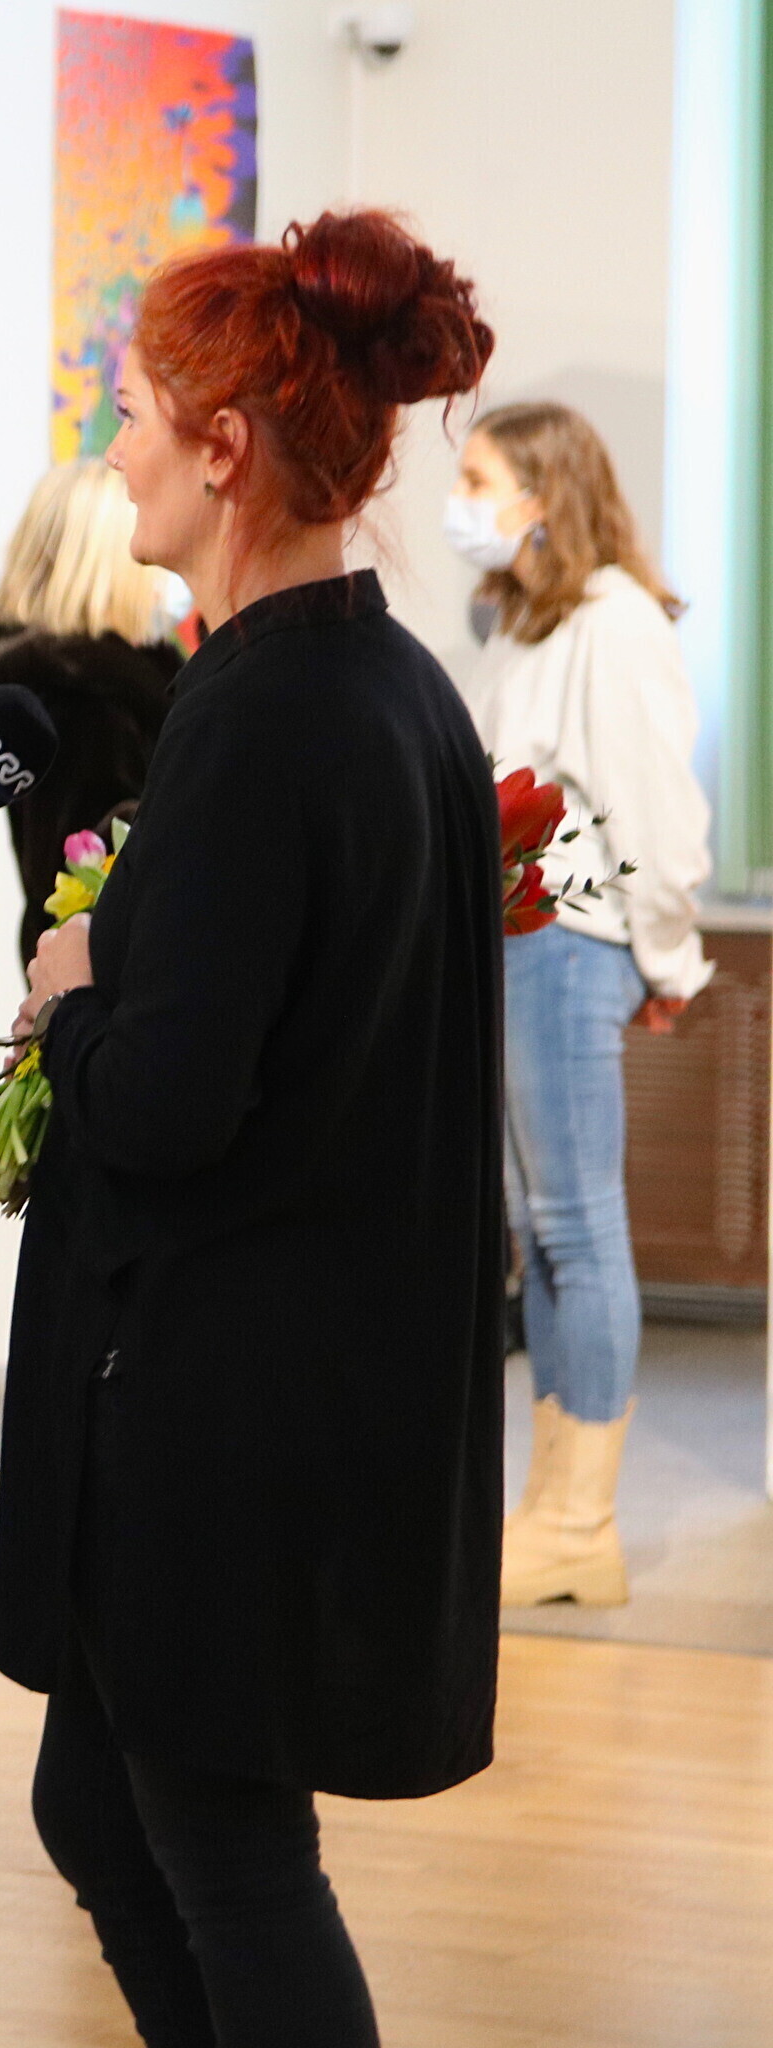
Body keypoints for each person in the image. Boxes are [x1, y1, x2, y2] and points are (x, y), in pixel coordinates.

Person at [5, 211, 503, 2048]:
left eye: (131, 414)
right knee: (106, 1808)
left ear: (222, 447)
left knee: (225, 1851)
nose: (110, 450)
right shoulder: (386, 687)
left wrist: (71, 998)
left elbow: (165, 1103)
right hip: (301, 1371)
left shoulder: (264, 714)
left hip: (227, 1399)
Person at [448, 401, 714, 1609]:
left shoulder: (612, 620)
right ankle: (552, 1506)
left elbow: (654, 802)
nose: (460, 504)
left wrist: (670, 959)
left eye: (477, 479)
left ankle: (578, 1518)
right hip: (521, 939)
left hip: (570, 938)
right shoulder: (527, 620)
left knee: (575, 1221)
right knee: (537, 1224)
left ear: (542, 494)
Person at [0, 459, 184, 961]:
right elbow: (89, 876)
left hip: (53, 952)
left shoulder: (42, 683)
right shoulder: (96, 702)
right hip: (98, 964)